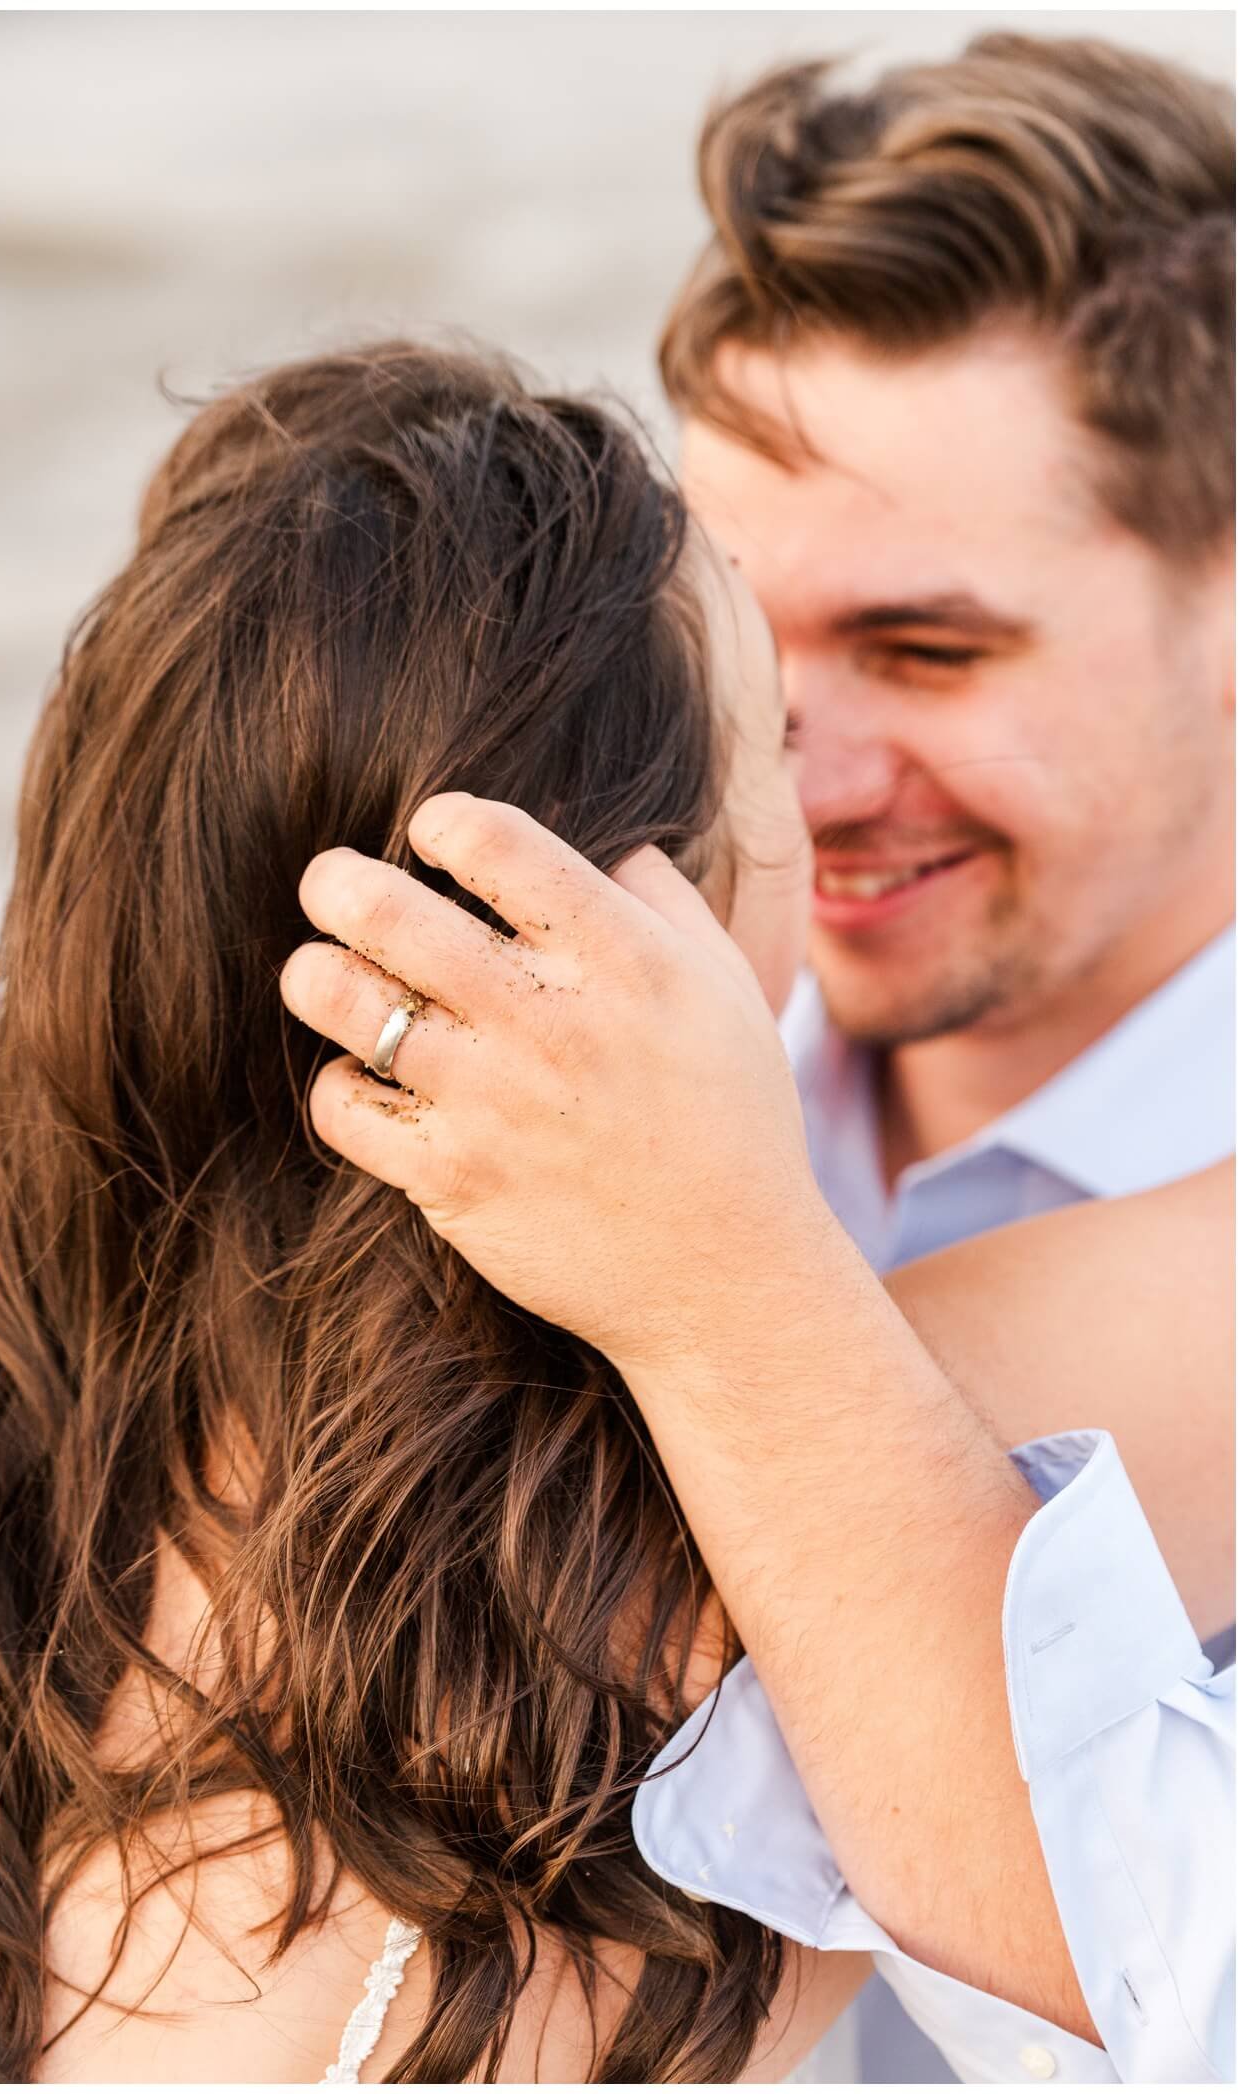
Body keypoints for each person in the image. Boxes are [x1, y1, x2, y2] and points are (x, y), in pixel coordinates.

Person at [278, 30, 1234, 2084]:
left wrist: (727, 1293)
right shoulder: (573, 1059)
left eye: (930, 651)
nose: (809, 784)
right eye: (749, 650)